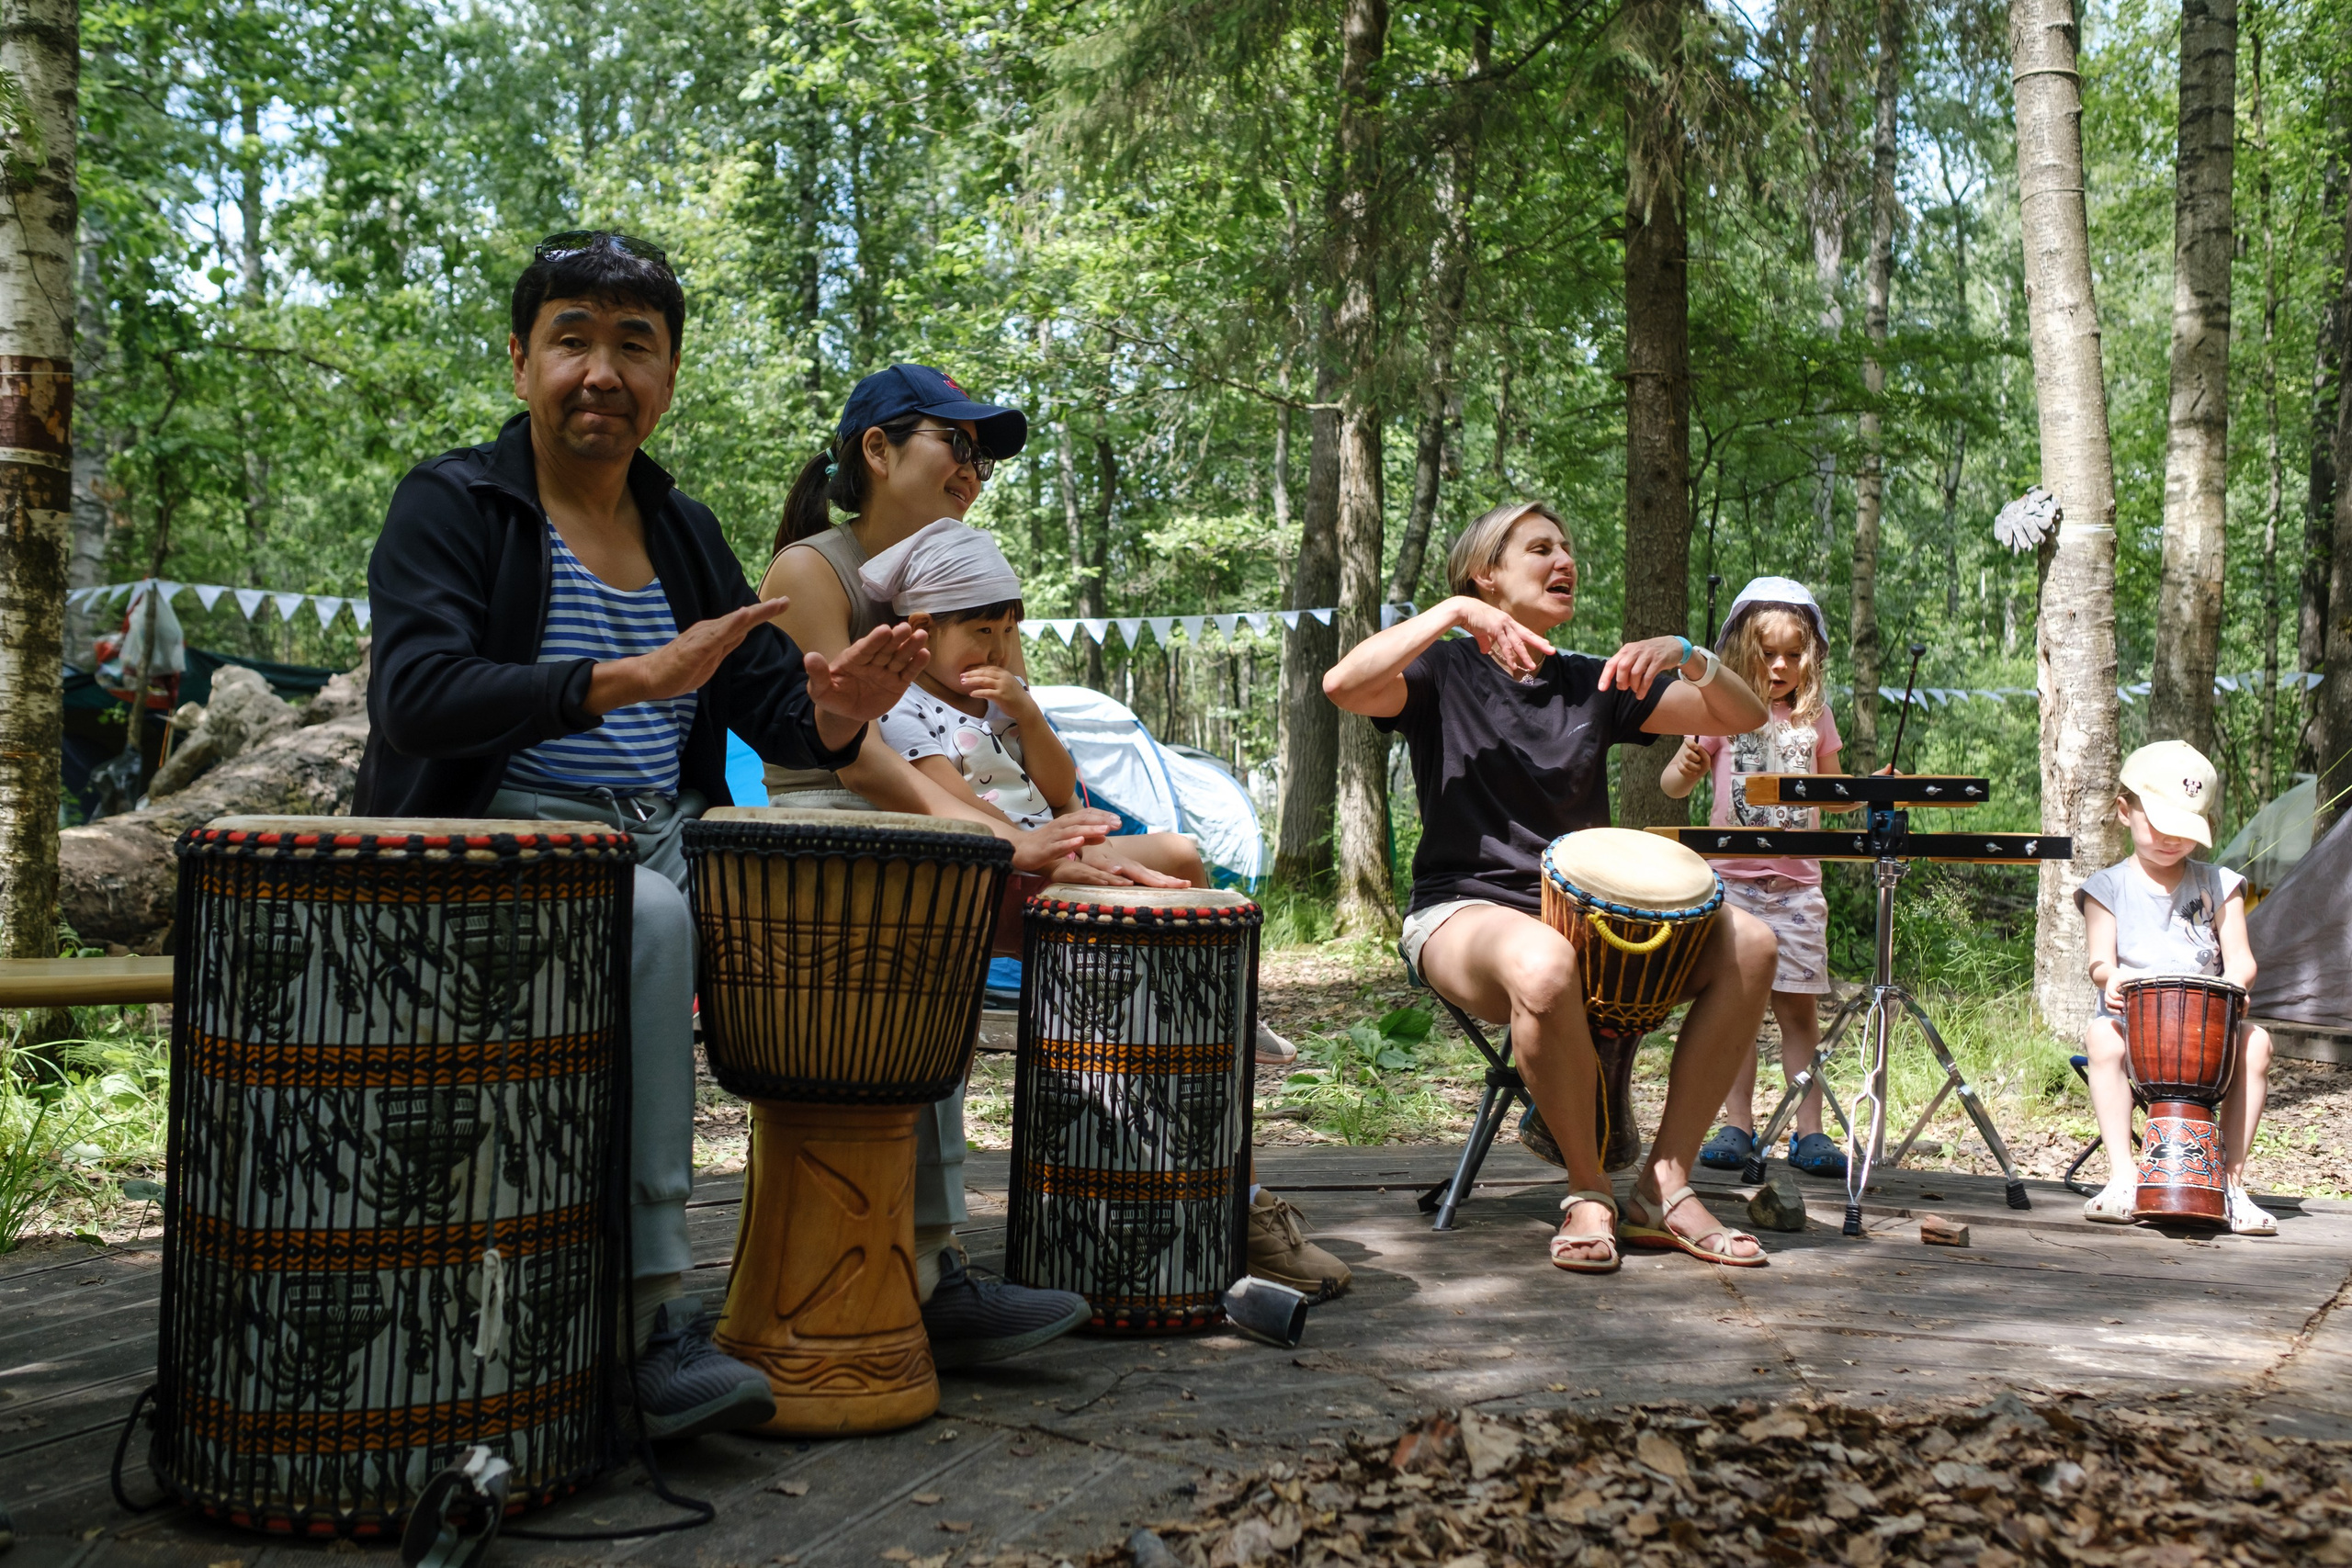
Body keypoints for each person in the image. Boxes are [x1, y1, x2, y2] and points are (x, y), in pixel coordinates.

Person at [361, 230, 935, 1440]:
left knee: (882, 907)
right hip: (498, 836)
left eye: (634, 343)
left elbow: (771, 700)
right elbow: (418, 693)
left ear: (669, 374)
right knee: (656, 914)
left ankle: (924, 1267)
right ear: (521, 360)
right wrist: (623, 678)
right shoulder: (455, 502)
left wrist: (841, 702)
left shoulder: (681, 526)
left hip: (665, 829)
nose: (600, 370)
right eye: (572, 338)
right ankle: (643, 1319)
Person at [858, 518, 1352, 1301]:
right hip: (999, 875)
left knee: (1182, 857)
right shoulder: (906, 709)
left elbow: (1059, 789)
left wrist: (1027, 710)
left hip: (1054, 849)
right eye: (981, 631)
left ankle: (1218, 999)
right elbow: (962, 807)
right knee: (1128, 896)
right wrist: (1071, 855)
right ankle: (1204, 1008)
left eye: (1008, 631)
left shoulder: (991, 704)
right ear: (921, 629)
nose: (994, 648)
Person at [1323, 501, 1779, 1274]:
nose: (1564, 560)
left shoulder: (1589, 682)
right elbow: (1343, 684)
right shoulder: (1442, 672)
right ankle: (1588, 1189)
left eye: (1568, 548)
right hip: (1462, 913)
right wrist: (1455, 614)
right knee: (1542, 960)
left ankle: (1664, 1183)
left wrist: (1689, 654)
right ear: (1487, 574)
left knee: (1754, 943)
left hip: (1584, 924)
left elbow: (1742, 713)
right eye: (1540, 549)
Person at [1659, 577, 1851, 1178]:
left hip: (1796, 884)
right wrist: (1686, 764)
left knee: (1798, 1012)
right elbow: (1674, 786)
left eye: (1794, 654)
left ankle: (1808, 1129)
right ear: (1741, 651)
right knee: (1735, 1009)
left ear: (1810, 657)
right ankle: (1736, 1124)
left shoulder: (1815, 717)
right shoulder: (1716, 712)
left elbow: (1835, 793)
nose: (1780, 664)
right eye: (1768, 653)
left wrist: (1869, 790)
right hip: (1732, 883)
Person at [2077, 740, 2277, 1235]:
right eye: (2161, 825)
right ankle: (2124, 1177)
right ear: (2124, 811)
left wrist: (2234, 990)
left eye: (2185, 832)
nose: (2172, 841)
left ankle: (2230, 1182)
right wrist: (2111, 978)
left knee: (2257, 1043)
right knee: (2101, 1037)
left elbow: (2242, 963)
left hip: (2205, 1032)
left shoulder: (2221, 883)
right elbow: (2099, 961)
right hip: (2138, 1026)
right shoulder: (2108, 887)